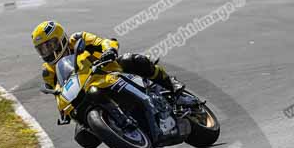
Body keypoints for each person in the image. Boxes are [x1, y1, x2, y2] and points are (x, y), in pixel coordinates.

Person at [32, 21, 183, 95]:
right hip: (87, 92)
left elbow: (103, 42)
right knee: (84, 138)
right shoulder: (48, 71)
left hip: (111, 71)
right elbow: (58, 93)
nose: (47, 52)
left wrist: (109, 50)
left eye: (50, 45)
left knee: (135, 60)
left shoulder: (78, 39)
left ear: (61, 38)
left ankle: (171, 83)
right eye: (42, 49)